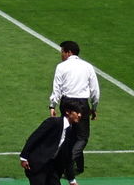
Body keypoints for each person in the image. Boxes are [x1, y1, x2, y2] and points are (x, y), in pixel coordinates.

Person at [50, 42, 98, 184]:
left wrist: (52, 105)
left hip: (66, 103)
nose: (61, 54)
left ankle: (77, 165)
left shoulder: (61, 67)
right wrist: (94, 107)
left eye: (62, 51)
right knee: (82, 137)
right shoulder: (88, 66)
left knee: (69, 134)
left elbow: (57, 87)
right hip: (82, 103)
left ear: (68, 52)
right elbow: (95, 90)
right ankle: (69, 161)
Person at [19, 103, 83, 185]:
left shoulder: (71, 132)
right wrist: (24, 157)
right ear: (68, 112)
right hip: (38, 165)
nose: (80, 115)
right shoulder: (53, 122)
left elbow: (68, 156)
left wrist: (72, 180)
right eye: (77, 112)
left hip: (52, 168)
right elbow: (34, 137)